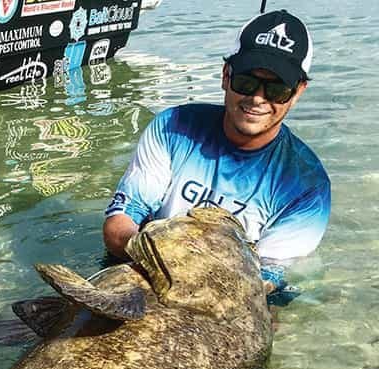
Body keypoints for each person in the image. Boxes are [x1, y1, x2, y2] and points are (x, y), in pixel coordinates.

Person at [102, 9, 330, 296]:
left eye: (277, 90)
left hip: (232, 295)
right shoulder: (172, 127)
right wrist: (152, 254)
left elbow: (269, 276)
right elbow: (118, 225)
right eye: (246, 82)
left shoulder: (308, 187)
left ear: (297, 93)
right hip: (144, 271)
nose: (257, 99)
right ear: (225, 76)